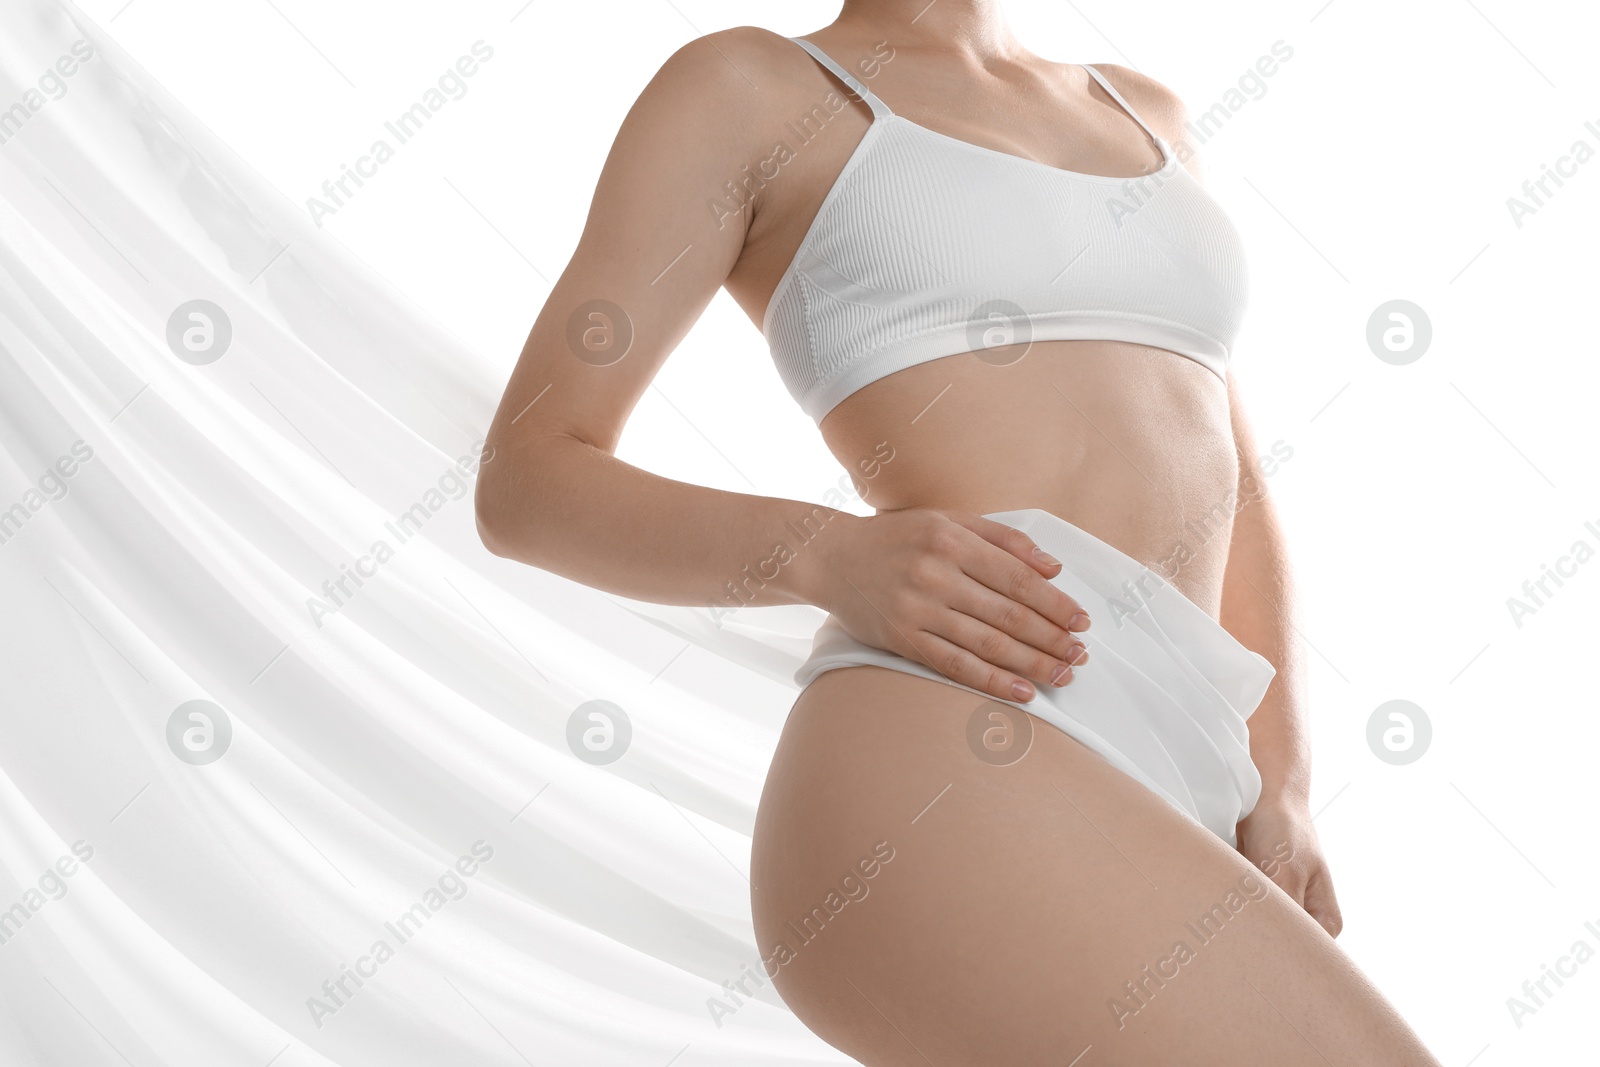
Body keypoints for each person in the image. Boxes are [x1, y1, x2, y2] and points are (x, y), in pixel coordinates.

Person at [475, 3, 1443, 1062]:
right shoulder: (751, 89)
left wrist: (1286, 781)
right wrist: (824, 552)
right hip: (957, 726)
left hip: (1187, 753)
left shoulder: (1145, 107)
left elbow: (1236, 475)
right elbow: (528, 479)